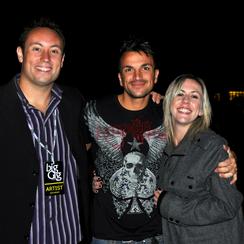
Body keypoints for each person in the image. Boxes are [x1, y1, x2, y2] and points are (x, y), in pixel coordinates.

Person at [84, 37, 237, 244]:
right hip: (106, 235)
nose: (137, 76)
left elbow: (199, 139)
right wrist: (90, 175)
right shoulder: (94, 111)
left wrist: (228, 155)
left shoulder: (169, 113)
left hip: (157, 234)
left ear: (155, 75)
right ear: (120, 77)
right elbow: (74, 152)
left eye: (144, 68)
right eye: (129, 69)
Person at [0, 18, 90, 243]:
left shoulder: (74, 101)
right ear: (21, 54)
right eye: (36, 49)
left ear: (62, 60)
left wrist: (153, 100)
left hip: (72, 236)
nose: (45, 59)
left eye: (54, 51)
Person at [156, 74, 244, 243]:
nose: (186, 101)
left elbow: (228, 206)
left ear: (202, 109)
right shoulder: (161, 146)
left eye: (194, 96)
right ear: (169, 102)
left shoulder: (213, 147)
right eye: (179, 94)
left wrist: (168, 205)